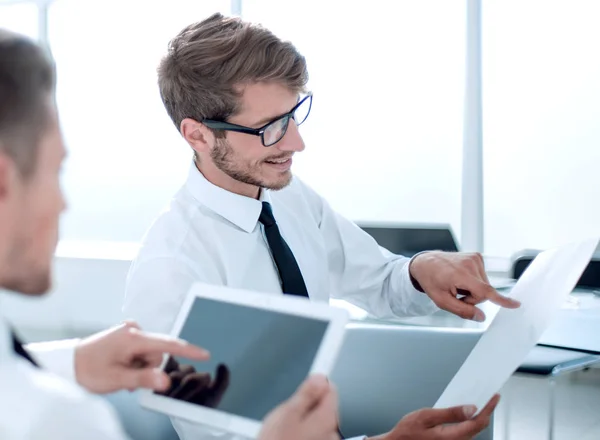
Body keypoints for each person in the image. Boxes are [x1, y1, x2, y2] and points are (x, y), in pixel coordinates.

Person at [123, 13, 516, 440]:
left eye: (292, 115)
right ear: (198, 135)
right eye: (268, 128)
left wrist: (422, 270)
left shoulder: (289, 198)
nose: (295, 142)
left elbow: (381, 281)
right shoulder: (173, 269)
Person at [0, 28, 340, 440]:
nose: (63, 205)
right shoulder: (56, 420)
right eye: (56, 172)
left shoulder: (293, 200)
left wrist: (69, 361)